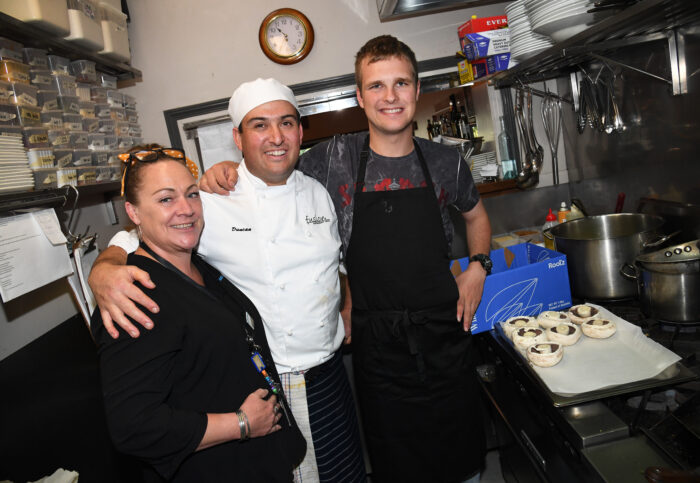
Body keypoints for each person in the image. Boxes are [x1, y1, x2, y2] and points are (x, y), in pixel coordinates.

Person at [201, 35, 492, 483]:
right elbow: (271, 169)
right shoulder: (331, 159)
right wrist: (224, 171)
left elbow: (477, 217)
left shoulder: (446, 161)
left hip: (445, 336)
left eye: (401, 84)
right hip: (378, 347)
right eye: (376, 86)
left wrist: (478, 267)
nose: (390, 97)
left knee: (463, 457)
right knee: (396, 463)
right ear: (359, 96)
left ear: (417, 89)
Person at [88, 81, 367, 482]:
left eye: (287, 123)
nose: (276, 137)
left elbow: (333, 264)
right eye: (259, 126)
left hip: (331, 372)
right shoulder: (212, 199)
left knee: (346, 474)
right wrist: (105, 268)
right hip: (274, 382)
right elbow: (139, 238)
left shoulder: (317, 193)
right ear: (237, 137)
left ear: (301, 132)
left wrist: (346, 305)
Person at [92, 145, 305, 481]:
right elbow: (134, 427)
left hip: (259, 461)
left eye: (191, 195)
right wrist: (241, 424)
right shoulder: (134, 296)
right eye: (165, 199)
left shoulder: (198, 265)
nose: (186, 209)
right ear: (133, 213)